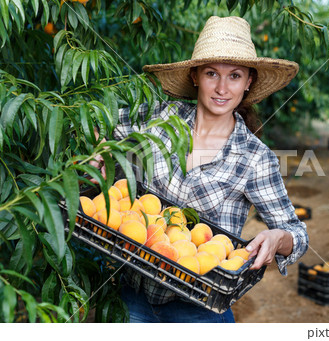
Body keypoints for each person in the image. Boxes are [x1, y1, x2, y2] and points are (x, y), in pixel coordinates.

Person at [109, 16, 308, 323]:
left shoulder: (255, 157)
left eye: (235, 76)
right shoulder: (161, 117)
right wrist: (98, 154)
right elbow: (99, 126)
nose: (222, 87)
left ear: (248, 82)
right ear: (195, 76)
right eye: (212, 73)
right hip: (132, 295)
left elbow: (297, 234)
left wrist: (277, 237)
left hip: (198, 309)